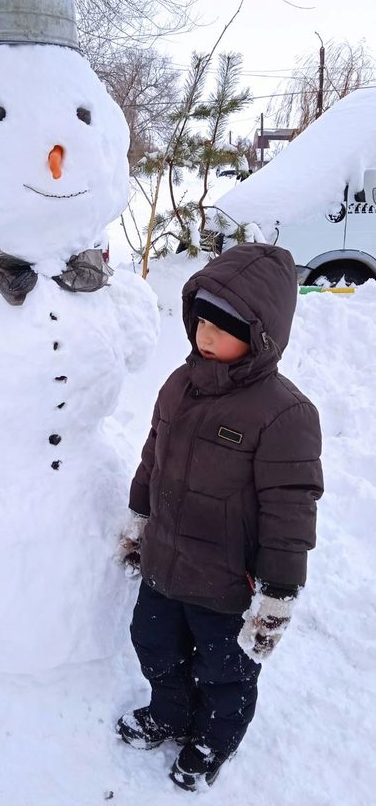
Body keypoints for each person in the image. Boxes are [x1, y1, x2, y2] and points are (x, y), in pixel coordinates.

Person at [115, 243, 323, 792]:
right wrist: (139, 519)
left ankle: (212, 740)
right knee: (151, 642)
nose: (205, 335)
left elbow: (290, 508)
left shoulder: (285, 413)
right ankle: (171, 712)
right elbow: (151, 455)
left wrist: (278, 592)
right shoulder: (179, 385)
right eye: (201, 319)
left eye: (222, 326)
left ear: (261, 336)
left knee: (225, 672)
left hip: (228, 582)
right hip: (165, 562)